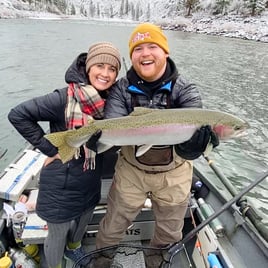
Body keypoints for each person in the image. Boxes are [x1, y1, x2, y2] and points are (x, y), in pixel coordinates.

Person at [92, 23, 219, 257]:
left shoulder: (185, 88)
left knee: (169, 236)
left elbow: (193, 133)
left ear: (165, 52)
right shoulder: (121, 88)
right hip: (131, 170)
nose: (145, 53)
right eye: (138, 49)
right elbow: (113, 122)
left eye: (152, 46)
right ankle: (101, 261)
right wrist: (98, 137)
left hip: (175, 174)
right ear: (132, 56)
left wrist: (194, 148)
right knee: (111, 228)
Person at [8, 42, 121, 268]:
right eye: (100, 66)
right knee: (58, 233)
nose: (105, 74)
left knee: (84, 220)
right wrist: (52, 150)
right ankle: (54, 264)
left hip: (90, 177)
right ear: (88, 67)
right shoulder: (63, 98)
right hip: (62, 183)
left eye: (112, 69)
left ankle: (75, 249)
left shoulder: (113, 103)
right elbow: (18, 115)